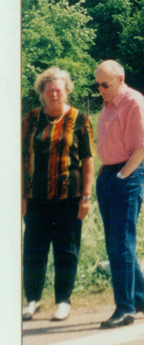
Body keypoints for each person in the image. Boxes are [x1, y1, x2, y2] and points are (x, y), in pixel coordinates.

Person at [21, 68, 95, 322]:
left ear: (67, 91)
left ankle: (63, 301)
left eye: (58, 89)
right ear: (42, 93)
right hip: (36, 198)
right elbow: (22, 159)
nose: (54, 94)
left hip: (70, 199)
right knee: (33, 250)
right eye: (49, 89)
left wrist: (86, 196)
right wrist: (21, 195)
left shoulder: (80, 119)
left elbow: (87, 160)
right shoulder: (30, 119)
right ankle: (32, 300)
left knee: (67, 251)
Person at [94, 60, 144, 329]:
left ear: (119, 79)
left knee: (120, 242)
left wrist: (120, 177)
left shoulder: (134, 102)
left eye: (104, 84)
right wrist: (105, 175)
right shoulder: (108, 105)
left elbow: (141, 148)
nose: (100, 90)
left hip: (128, 173)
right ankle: (141, 299)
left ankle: (125, 308)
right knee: (117, 241)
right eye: (97, 85)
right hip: (108, 173)